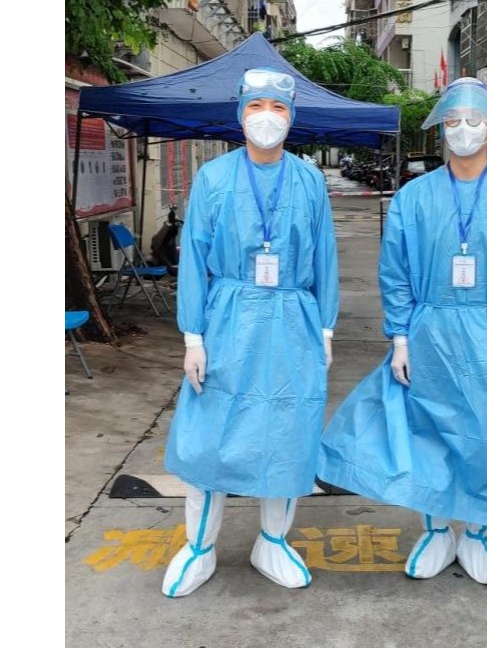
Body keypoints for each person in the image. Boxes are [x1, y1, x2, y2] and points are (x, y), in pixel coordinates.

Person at [316, 77, 487, 586]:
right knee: (429, 434)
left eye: (474, 120)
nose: (463, 129)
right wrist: (400, 338)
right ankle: (438, 530)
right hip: (430, 330)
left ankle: (477, 535)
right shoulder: (414, 197)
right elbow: (396, 271)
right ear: (440, 129)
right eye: (453, 120)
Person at [161, 68, 339, 597]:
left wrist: (325, 327)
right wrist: (193, 337)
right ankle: (199, 546)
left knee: (287, 431)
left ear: (292, 117)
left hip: (293, 318)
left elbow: (325, 257)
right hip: (228, 318)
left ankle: (273, 541)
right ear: (240, 116)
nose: (267, 117)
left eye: (278, 107)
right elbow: (194, 259)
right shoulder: (214, 178)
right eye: (257, 106)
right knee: (211, 433)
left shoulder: (308, 180)